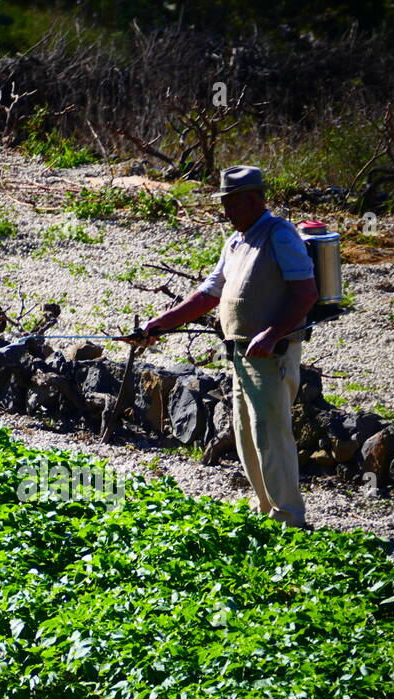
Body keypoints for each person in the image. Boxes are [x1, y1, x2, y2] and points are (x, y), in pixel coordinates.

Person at [140, 165, 318, 530]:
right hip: (240, 353)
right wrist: (159, 323)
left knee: (271, 434)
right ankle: (266, 509)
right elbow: (208, 293)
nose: (226, 212)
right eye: (224, 205)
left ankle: (290, 520)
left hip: (273, 354)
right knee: (246, 435)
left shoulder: (279, 235)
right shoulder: (236, 241)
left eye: (231, 204)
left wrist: (270, 334)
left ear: (253, 200)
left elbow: (306, 293)